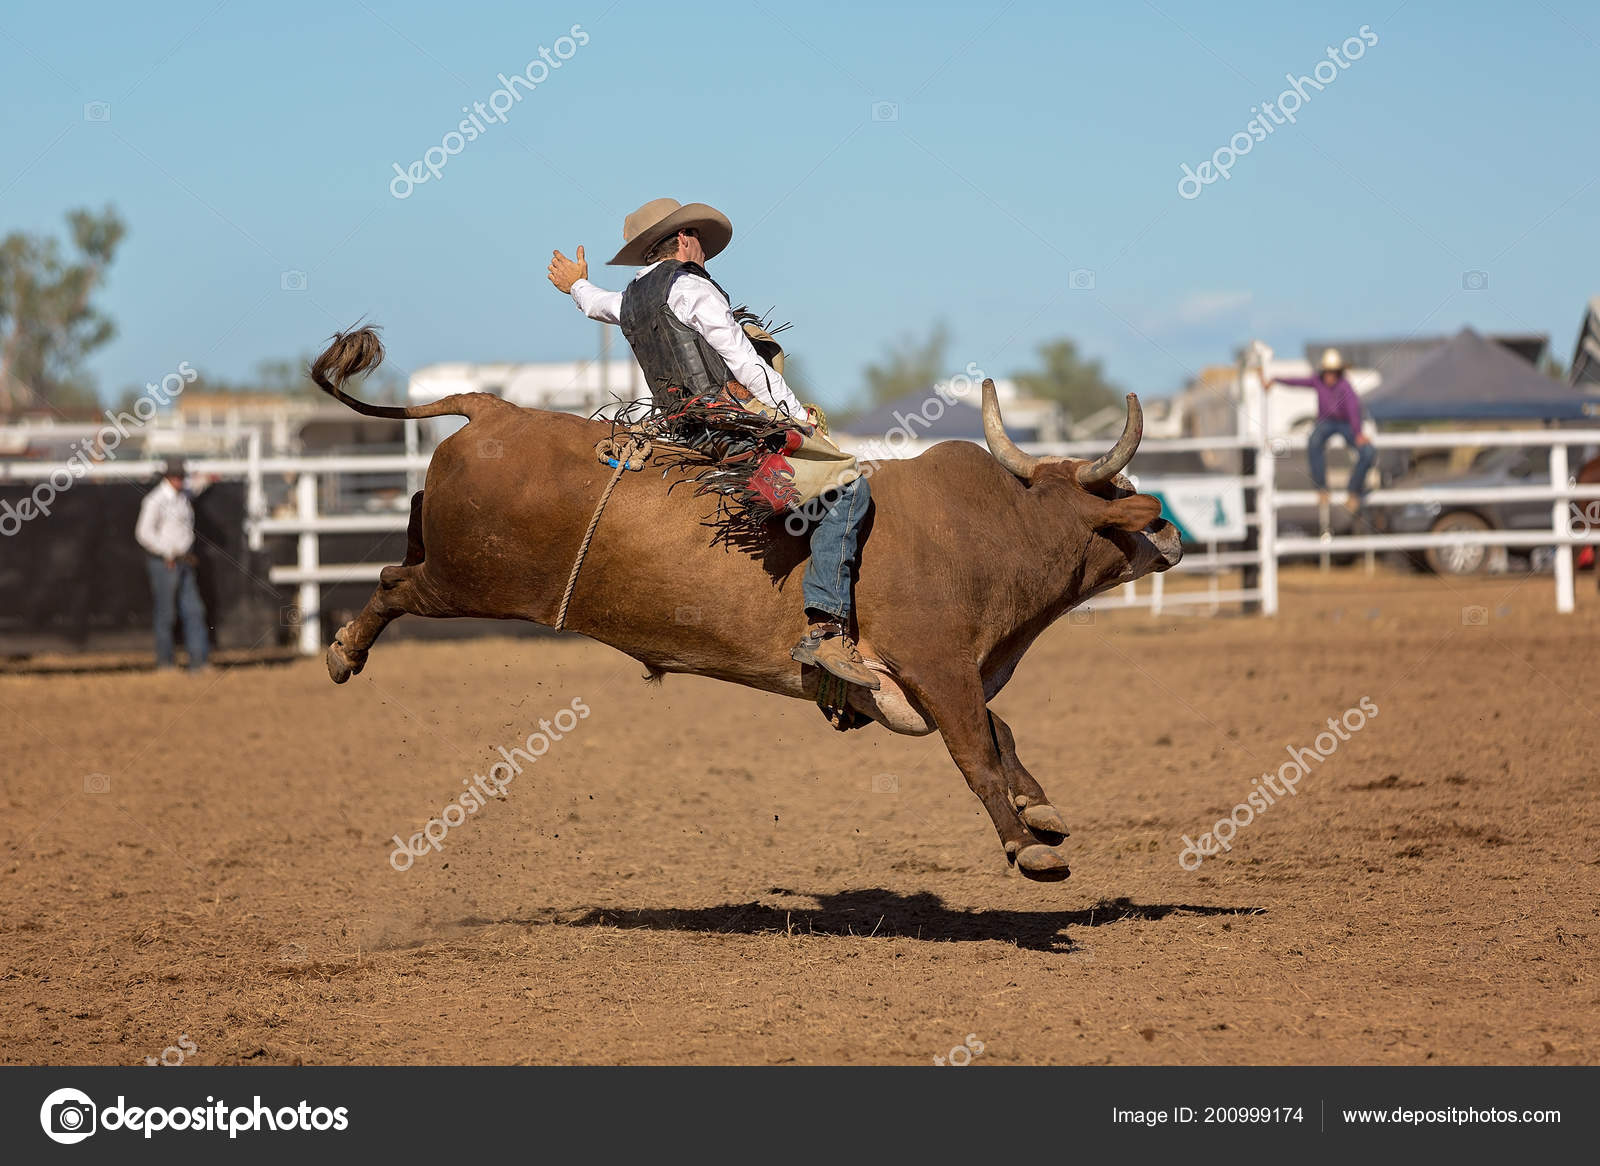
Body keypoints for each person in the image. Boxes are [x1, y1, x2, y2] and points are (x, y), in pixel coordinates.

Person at [547, 198, 878, 690]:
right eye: (698, 237)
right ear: (683, 240)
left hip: (680, 434)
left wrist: (575, 283)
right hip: (732, 435)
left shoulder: (634, 297)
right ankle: (826, 629)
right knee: (848, 488)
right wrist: (797, 417)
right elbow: (742, 360)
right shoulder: (692, 289)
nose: (705, 248)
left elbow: (597, 304)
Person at [1260, 347, 1376, 513]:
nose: (1330, 375)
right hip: (1325, 422)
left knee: (1368, 452)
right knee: (1314, 441)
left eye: (1333, 372)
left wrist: (1357, 433)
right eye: (1328, 371)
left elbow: (1353, 410)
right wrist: (1275, 380)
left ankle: (1353, 490)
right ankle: (1321, 487)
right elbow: (1296, 382)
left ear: (1338, 372)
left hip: (1345, 424)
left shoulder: (1345, 386)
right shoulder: (1318, 381)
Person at [135, 457, 210, 671]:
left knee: (193, 610)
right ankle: (166, 662)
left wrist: (210, 476)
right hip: (165, 562)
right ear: (167, 477)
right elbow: (143, 533)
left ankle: (198, 661)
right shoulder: (155, 500)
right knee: (166, 613)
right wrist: (166, 551)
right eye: (175, 477)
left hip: (184, 561)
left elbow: (199, 483)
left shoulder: (183, 496)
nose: (179, 480)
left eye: (181, 477)